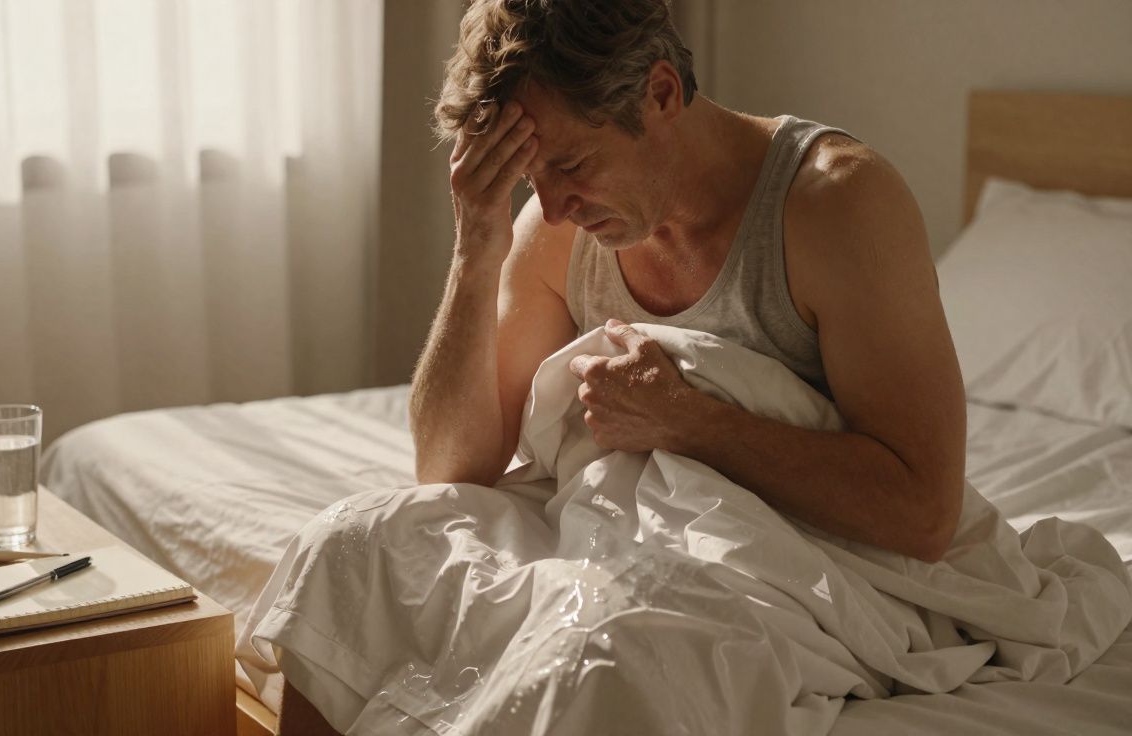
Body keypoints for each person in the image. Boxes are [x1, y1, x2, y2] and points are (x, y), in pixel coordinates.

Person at [409, 0, 966, 562]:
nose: (551, 208)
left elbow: (925, 516)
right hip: (633, 549)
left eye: (572, 165)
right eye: (530, 176)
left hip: (787, 570)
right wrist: (474, 253)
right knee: (350, 547)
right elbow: (447, 470)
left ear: (661, 94)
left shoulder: (837, 207)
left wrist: (687, 421)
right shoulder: (556, 236)